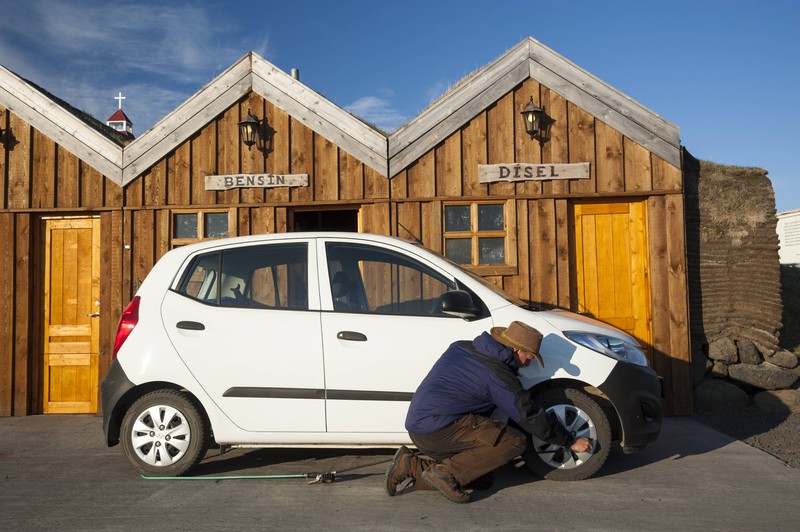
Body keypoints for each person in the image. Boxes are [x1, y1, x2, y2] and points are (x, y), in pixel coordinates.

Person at [385, 321, 592, 503]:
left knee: (481, 478)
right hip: (441, 429)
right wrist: (569, 441)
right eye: (529, 355)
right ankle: (445, 472)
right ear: (516, 350)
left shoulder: (463, 347)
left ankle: (412, 465)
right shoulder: (496, 374)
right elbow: (527, 413)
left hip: (421, 428)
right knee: (514, 441)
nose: (529, 362)